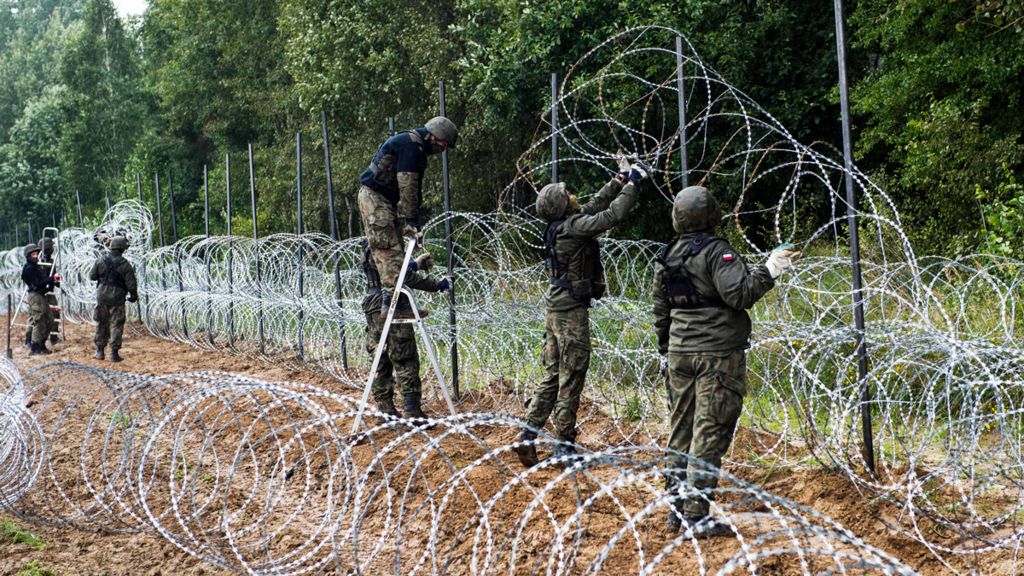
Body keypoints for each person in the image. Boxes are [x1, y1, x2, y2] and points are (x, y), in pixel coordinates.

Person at [651, 185, 799, 536]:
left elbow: (660, 311)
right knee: (709, 429)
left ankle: (676, 509)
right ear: (712, 214)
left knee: (681, 430)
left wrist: (666, 350)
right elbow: (740, 294)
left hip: (679, 353)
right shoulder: (718, 253)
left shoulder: (668, 255)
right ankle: (696, 515)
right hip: (716, 354)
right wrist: (771, 269)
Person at [513, 156, 647, 468]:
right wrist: (635, 182)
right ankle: (564, 447)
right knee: (571, 377)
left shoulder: (562, 226)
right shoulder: (573, 229)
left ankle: (527, 436)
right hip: (571, 311)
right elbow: (612, 215)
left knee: (551, 376)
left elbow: (597, 205)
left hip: (556, 307)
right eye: (567, 194)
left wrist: (620, 178)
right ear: (562, 204)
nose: (573, 194)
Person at [358, 116, 458, 319]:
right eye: (442, 145)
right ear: (433, 136)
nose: (441, 151)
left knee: (395, 249)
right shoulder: (412, 146)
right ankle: (394, 302)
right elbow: (408, 185)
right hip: (375, 198)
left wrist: (408, 223)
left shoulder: (412, 143)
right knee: (387, 248)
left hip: (384, 200)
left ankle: (396, 300)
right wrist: (411, 219)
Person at [361, 240, 451, 419]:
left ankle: (385, 409)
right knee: (404, 355)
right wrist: (438, 285)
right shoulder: (386, 241)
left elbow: (389, 269)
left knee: (380, 356)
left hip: (372, 301)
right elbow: (401, 276)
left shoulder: (371, 242)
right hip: (392, 301)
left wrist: (415, 264)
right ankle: (412, 410)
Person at [88, 236, 138, 362]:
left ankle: (100, 351)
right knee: (116, 324)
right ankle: (114, 353)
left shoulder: (100, 260)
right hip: (117, 297)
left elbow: (92, 276)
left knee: (101, 322)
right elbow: (131, 284)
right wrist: (133, 296)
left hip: (102, 295)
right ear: (122, 249)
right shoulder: (125, 265)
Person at [21, 243, 58, 355]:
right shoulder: (29, 269)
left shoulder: (36, 267)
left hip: (41, 296)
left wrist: (51, 283)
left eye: (37, 253)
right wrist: (51, 279)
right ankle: (34, 347)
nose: (36, 256)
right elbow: (37, 283)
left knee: (50, 320)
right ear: (28, 256)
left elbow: (43, 281)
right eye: (33, 254)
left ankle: (42, 344)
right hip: (35, 296)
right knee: (39, 321)